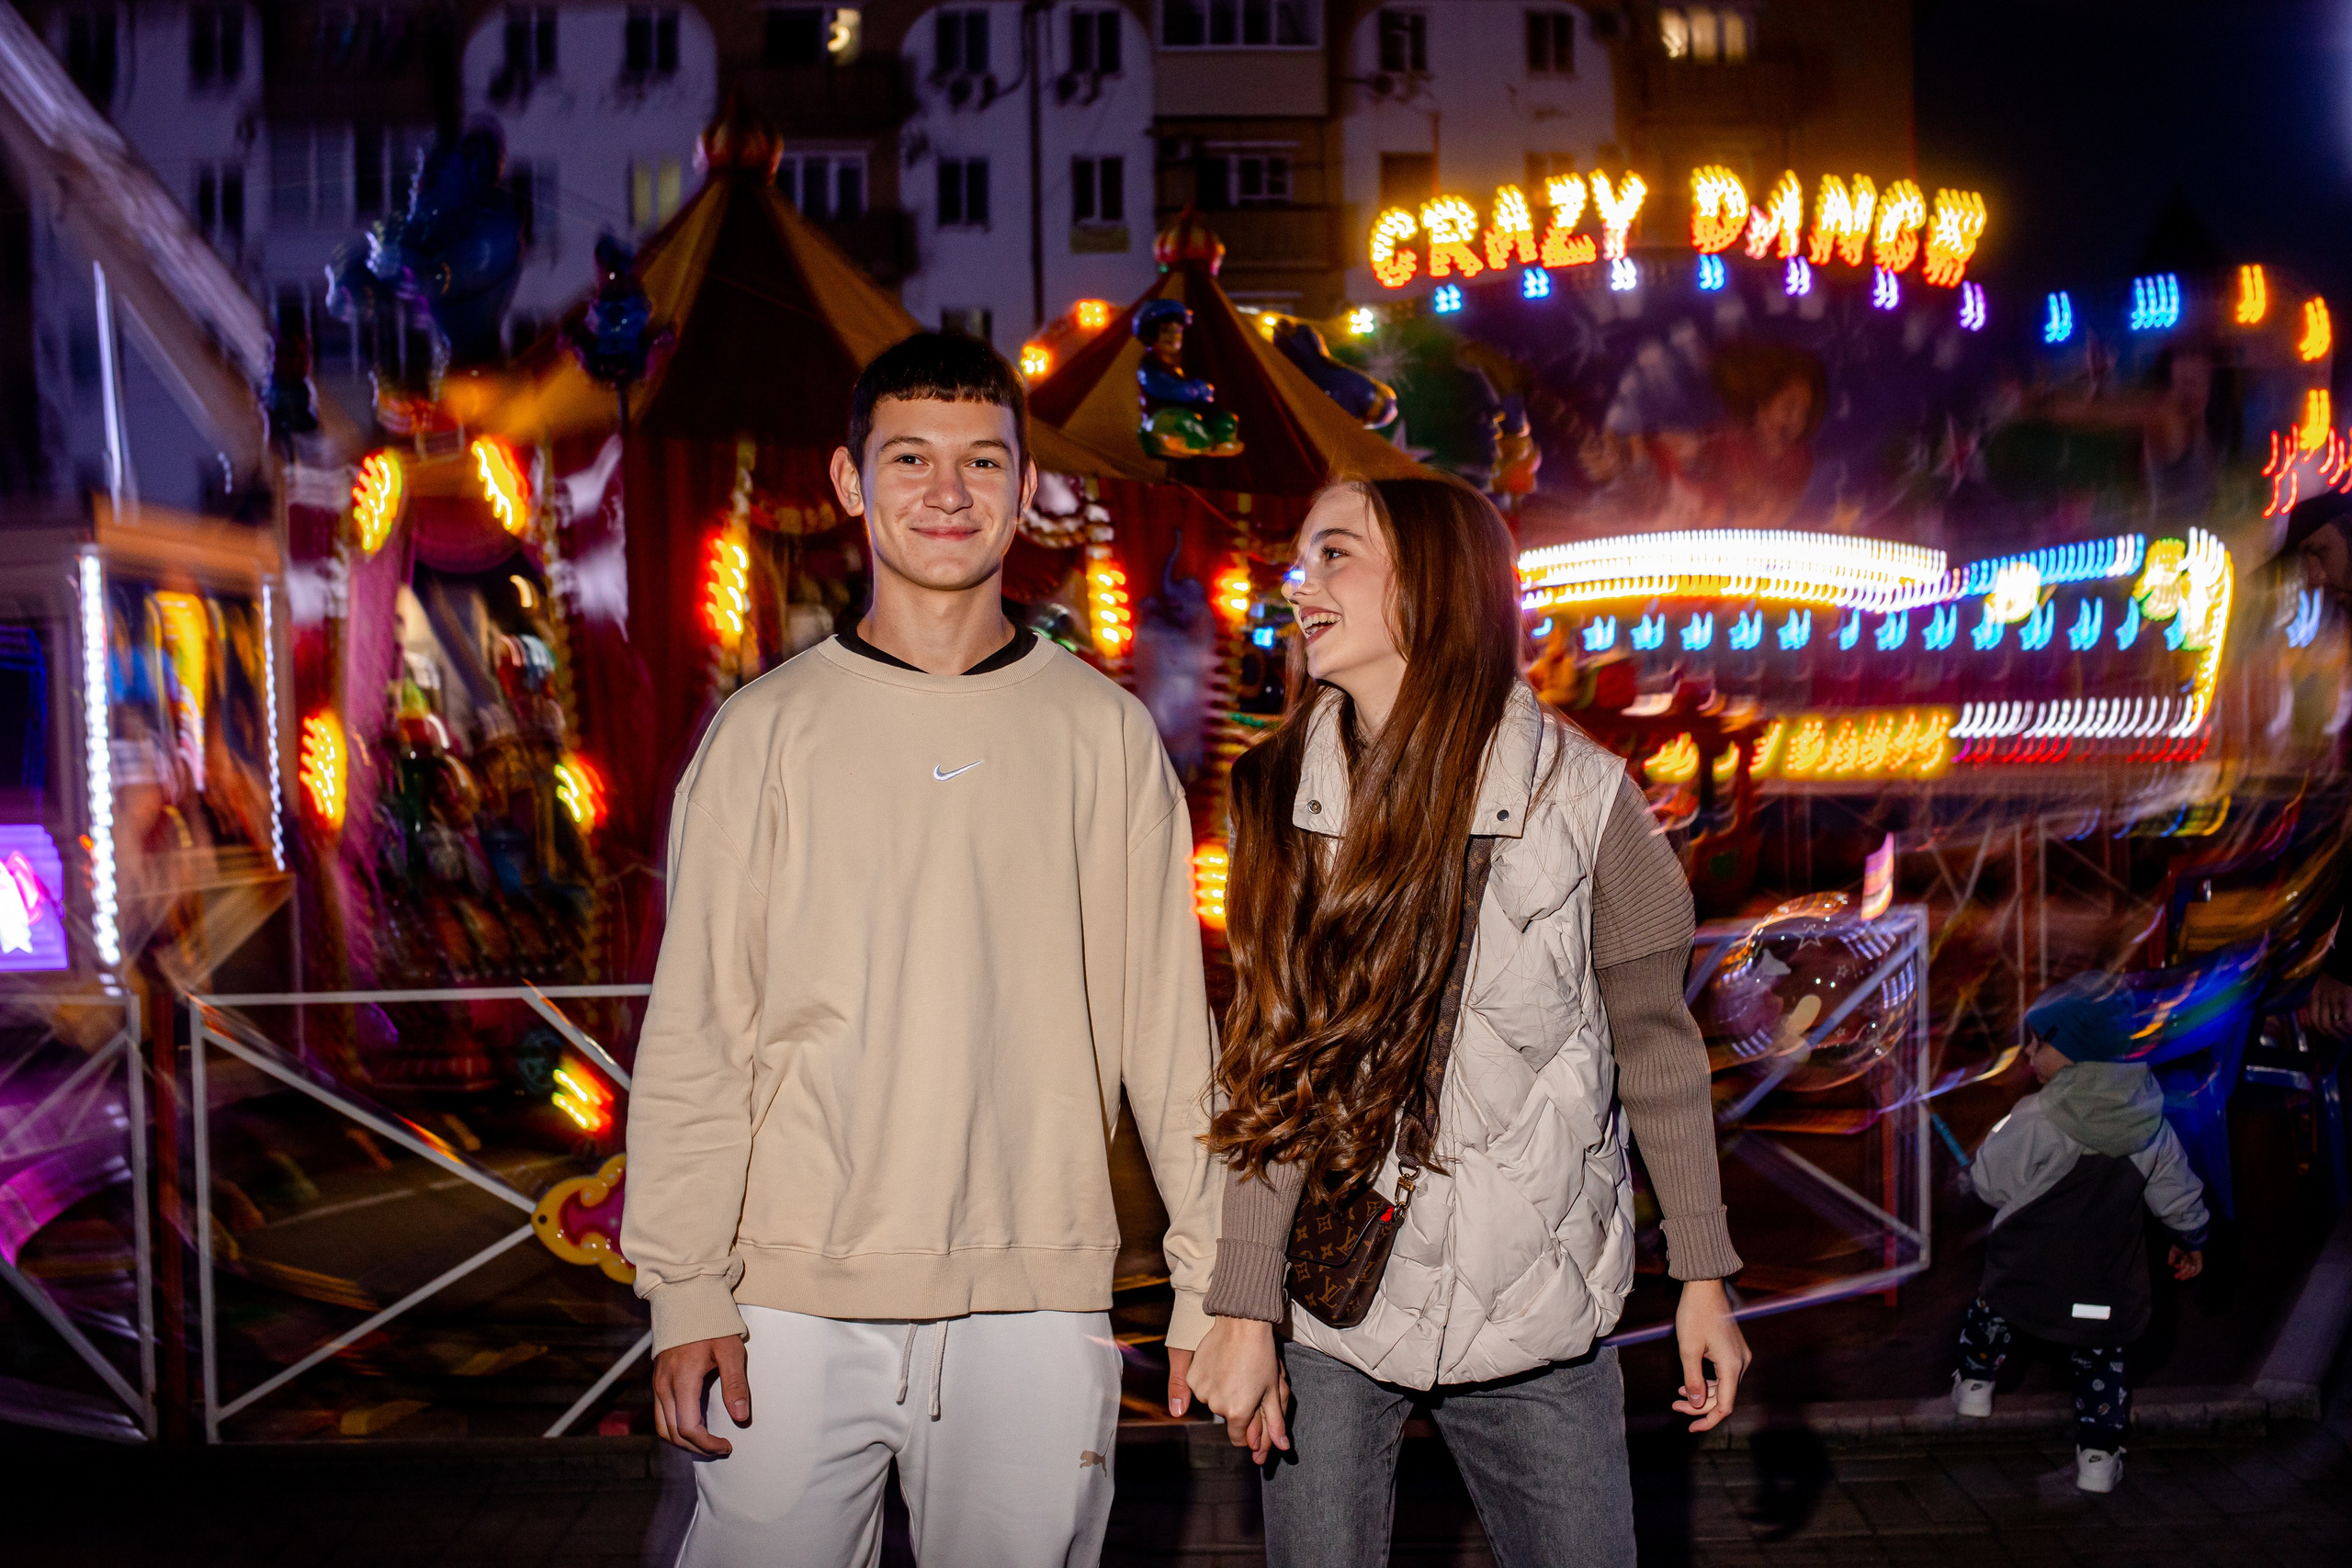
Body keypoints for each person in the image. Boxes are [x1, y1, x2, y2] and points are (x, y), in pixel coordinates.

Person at [620, 332, 1221, 1566]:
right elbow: (699, 1034)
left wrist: (1214, 1281)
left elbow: (1169, 1038)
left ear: (1023, 487)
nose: (948, 493)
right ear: (850, 481)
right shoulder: (763, 735)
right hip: (792, 1291)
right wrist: (685, 1287)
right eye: (911, 458)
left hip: (1036, 1297)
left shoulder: (1102, 738)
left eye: (981, 461)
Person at [1182, 475, 1752, 1568]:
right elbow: (1269, 1065)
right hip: (1333, 1303)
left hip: (1535, 1308)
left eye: (1335, 554)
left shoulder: (1583, 798)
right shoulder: (1274, 796)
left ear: (1431, 586)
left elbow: (1658, 1048)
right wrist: (1243, 1309)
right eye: (1302, 557)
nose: (1300, 583)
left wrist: (1702, 1276)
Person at [1953, 973, 2209, 1495]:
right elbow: (2177, 1195)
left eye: (2038, 1041)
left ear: (2073, 1050)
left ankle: (1975, 1385)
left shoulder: (2036, 1116)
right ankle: (2097, 1457)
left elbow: (1989, 1181)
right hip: (2101, 1290)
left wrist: (1973, 1173)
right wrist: (2192, 1238)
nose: (2027, 1052)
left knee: (1992, 1311)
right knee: (2101, 1365)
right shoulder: (2150, 1122)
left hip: (2027, 1277)